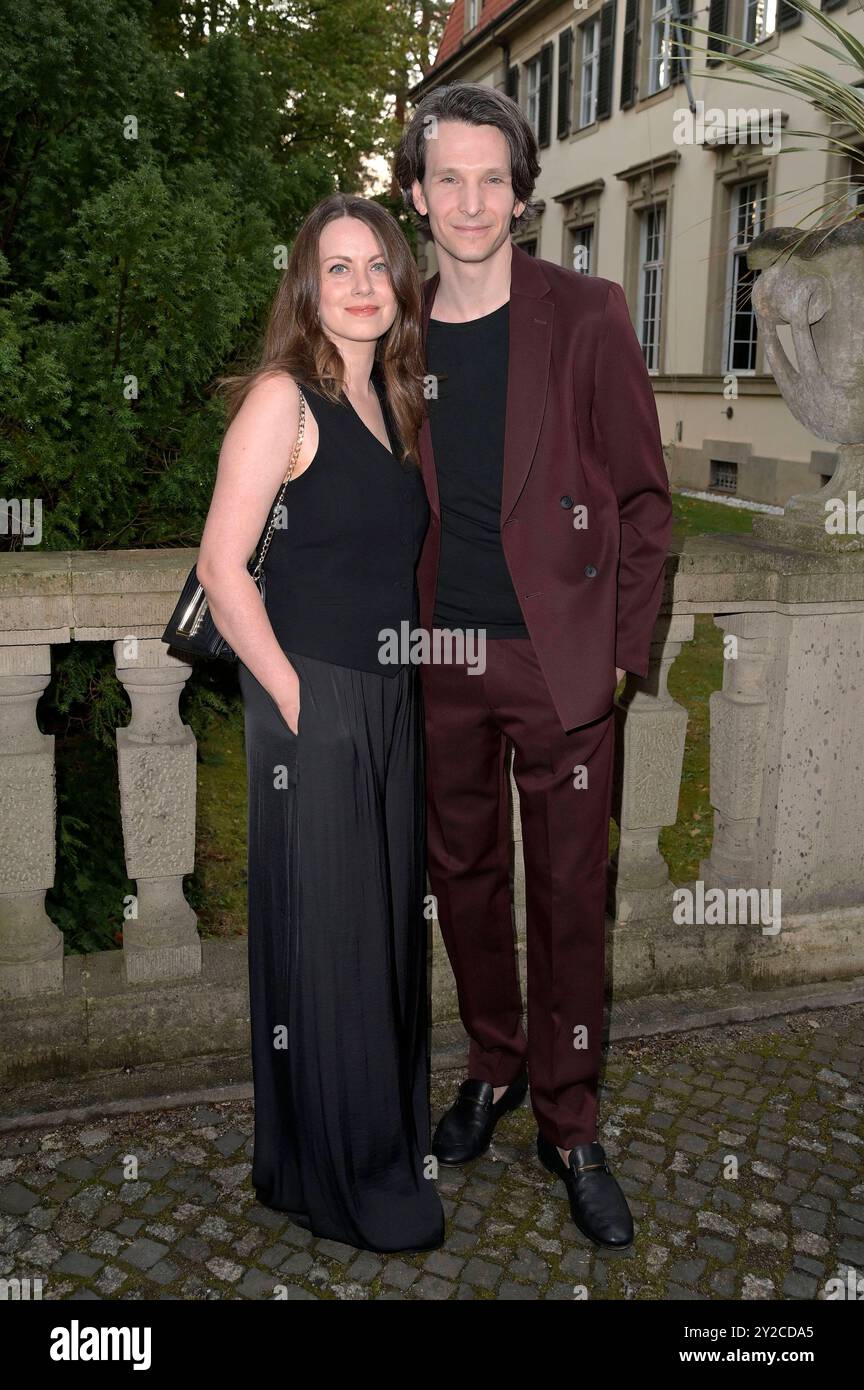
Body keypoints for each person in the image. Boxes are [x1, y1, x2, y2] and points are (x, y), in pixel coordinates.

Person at [394, 83, 673, 1249]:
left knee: (569, 899)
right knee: (463, 883)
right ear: (416, 195)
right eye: (446, 178)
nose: (470, 200)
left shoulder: (590, 312)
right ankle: (494, 1064)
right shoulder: (387, 326)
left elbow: (648, 502)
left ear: (521, 191)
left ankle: (572, 1117)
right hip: (435, 656)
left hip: (560, 669)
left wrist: (617, 662)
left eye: (490, 178)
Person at [196, 193, 445, 1254]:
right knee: (339, 943)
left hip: (388, 696)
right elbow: (222, 566)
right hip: (319, 702)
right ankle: (354, 1182)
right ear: (307, 286)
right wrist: (302, 702)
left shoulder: (392, 404)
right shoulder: (281, 400)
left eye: (376, 265)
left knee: (376, 936)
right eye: (335, 267)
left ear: (399, 286)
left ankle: (318, 1154)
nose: (358, 285)